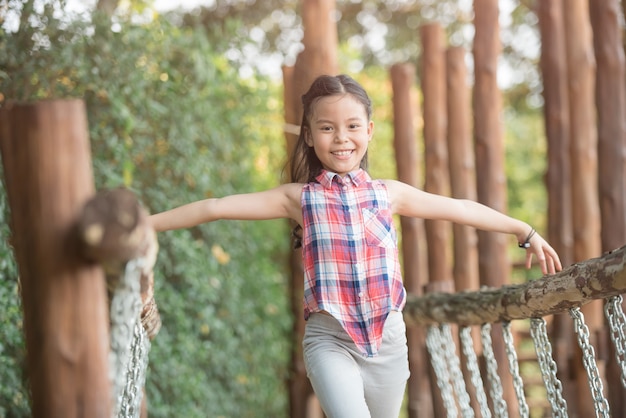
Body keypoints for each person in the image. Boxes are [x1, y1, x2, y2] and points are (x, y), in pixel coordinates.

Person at [149, 74, 562, 418]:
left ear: (369, 130)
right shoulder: (298, 198)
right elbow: (216, 207)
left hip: (388, 341)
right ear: (309, 136)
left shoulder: (389, 193)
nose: (341, 138)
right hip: (329, 340)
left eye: (351, 126)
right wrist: (146, 226)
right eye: (327, 128)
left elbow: (456, 208)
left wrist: (523, 229)